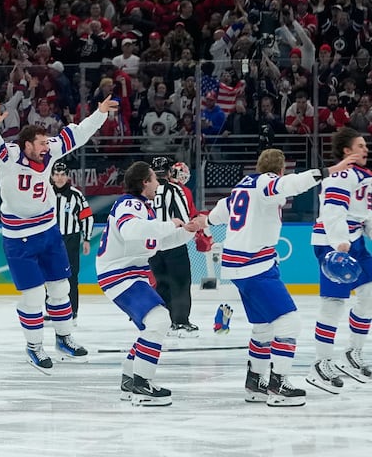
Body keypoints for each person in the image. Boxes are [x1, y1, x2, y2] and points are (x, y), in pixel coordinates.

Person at [0, 96, 117, 372]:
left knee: (60, 288)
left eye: (46, 142)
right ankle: (34, 347)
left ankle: (64, 339)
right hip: (18, 237)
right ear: (26, 145)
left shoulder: (49, 150)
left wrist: (99, 114)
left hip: (48, 231)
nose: (46, 147)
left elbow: (78, 134)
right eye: (40, 143)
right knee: (31, 296)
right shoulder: (11, 156)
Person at [208, 149, 357, 406]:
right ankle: (279, 385)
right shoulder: (268, 183)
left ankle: (255, 382)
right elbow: (291, 184)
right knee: (289, 322)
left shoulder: (240, 188)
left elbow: (213, 217)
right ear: (280, 170)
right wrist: (327, 171)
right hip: (254, 264)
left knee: (264, 327)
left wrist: (197, 225)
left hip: (240, 265)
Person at [96, 161, 207, 406]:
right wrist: (169, 224)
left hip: (130, 273)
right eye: (154, 180)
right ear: (144, 182)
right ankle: (141, 384)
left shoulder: (144, 207)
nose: (158, 183)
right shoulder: (130, 204)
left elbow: (158, 243)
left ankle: (130, 378)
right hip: (119, 273)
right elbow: (130, 230)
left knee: (154, 324)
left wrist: (189, 230)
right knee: (158, 321)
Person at [308, 127, 372, 393]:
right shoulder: (341, 174)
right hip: (331, 243)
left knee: (369, 294)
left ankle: (352, 353)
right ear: (347, 151)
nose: (366, 149)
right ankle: (321, 363)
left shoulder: (364, 176)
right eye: (360, 146)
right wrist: (339, 243)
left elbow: (365, 216)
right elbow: (333, 210)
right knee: (333, 303)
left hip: (354, 240)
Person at [148, 156, 197, 337]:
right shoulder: (174, 189)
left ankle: (165, 322)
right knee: (181, 283)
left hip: (153, 246)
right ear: (169, 172)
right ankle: (181, 322)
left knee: (162, 284)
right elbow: (184, 218)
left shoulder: (145, 190)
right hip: (174, 243)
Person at [50, 162, 94, 321]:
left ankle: (72, 311)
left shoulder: (76, 195)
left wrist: (87, 238)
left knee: (71, 276)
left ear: (67, 176)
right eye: (56, 174)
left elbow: (87, 217)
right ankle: (52, 310)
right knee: (50, 275)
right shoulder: (46, 193)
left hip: (71, 239)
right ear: (52, 176)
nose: (60, 178)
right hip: (50, 239)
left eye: (62, 174)